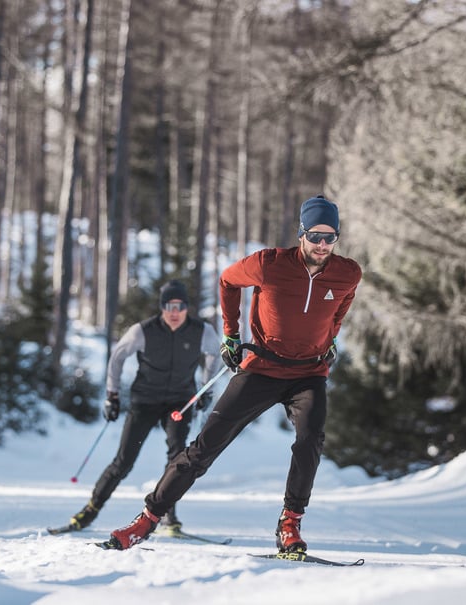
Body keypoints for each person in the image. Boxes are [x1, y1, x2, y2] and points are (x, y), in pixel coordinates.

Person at [102, 195, 362, 552]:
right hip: (262, 368)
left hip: (309, 373)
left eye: (329, 237)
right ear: (301, 233)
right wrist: (230, 335)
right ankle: (147, 518)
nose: (321, 245)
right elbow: (227, 281)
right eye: (315, 236)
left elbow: (343, 302)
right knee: (204, 448)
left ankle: (290, 523)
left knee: (310, 441)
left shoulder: (348, 272)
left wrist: (331, 337)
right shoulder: (269, 264)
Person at [59, 280, 221, 533]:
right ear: (162, 307)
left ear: (187, 308)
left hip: (180, 402)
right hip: (145, 401)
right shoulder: (143, 331)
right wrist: (112, 395)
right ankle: (90, 510)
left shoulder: (201, 331)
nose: (175, 312)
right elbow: (117, 357)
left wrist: (205, 390)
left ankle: (168, 515)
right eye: (169, 306)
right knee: (123, 461)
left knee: (178, 459)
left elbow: (215, 353)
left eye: (180, 306)